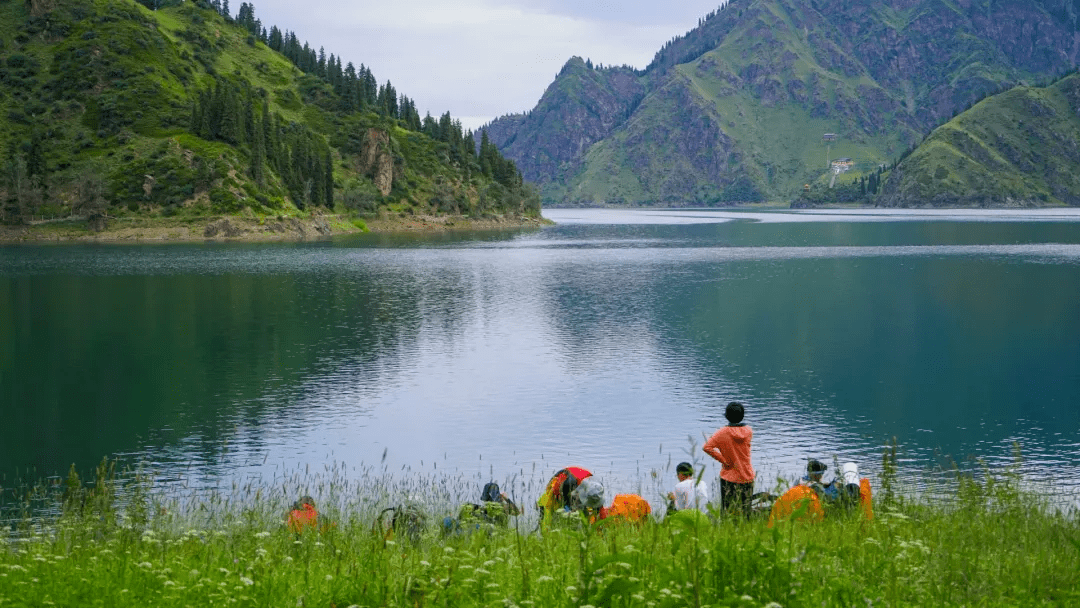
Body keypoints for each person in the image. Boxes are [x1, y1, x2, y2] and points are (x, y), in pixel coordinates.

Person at [703, 402, 755, 517]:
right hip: (747, 476)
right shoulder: (748, 431)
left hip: (729, 478)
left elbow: (707, 447)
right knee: (746, 511)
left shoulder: (722, 432)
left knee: (727, 511)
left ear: (726, 416)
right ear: (742, 416)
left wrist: (724, 461)